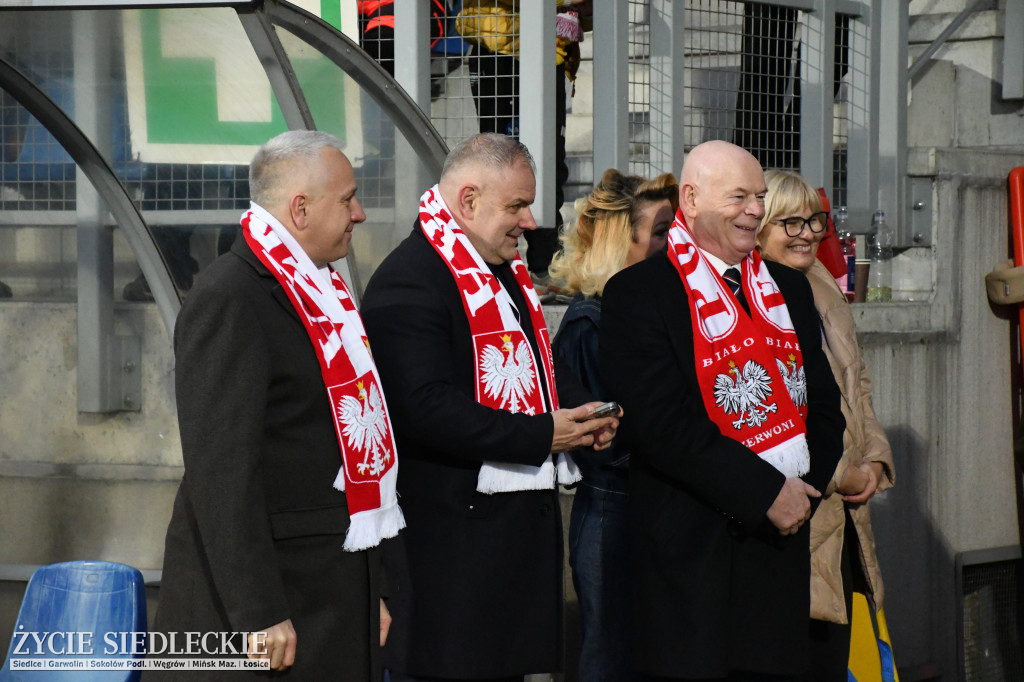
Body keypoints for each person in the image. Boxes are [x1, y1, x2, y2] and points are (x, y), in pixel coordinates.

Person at [360, 132, 619, 681]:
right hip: (453, 571)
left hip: (506, 562)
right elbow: (424, 407)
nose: (530, 222)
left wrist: (586, 411)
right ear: (469, 200)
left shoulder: (499, 270)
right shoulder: (410, 279)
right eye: (517, 206)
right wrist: (543, 435)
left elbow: (541, 363)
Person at [150, 130, 405, 681]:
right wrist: (257, 612)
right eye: (347, 199)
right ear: (300, 208)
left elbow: (356, 448)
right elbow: (221, 471)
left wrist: (373, 588)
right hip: (276, 603)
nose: (359, 213)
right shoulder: (230, 295)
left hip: (332, 587)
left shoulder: (320, 288)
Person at [599, 140, 845, 681]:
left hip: (780, 549)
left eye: (759, 196)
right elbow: (660, 424)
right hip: (691, 562)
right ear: (691, 199)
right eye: (739, 197)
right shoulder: (638, 293)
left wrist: (802, 490)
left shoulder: (787, 288)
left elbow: (825, 404)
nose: (755, 210)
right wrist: (764, 493)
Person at [756, 169, 895, 681]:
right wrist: (842, 474)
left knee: (838, 653)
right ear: (758, 227)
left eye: (814, 220)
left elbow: (857, 383)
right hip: (803, 504)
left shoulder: (820, 282)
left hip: (846, 508)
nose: (809, 233)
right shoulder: (753, 295)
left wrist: (876, 457)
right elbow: (772, 411)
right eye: (790, 222)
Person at [548, 167, 677, 681]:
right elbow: (608, 439)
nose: (674, 244)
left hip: (650, 503)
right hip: (615, 510)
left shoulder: (642, 310)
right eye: (662, 231)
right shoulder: (589, 324)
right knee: (611, 658)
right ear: (621, 241)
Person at [456, 0, 590, 288]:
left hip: (549, 50)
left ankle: (545, 266)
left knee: (548, 164)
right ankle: (496, 265)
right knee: (499, 167)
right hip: (499, 49)